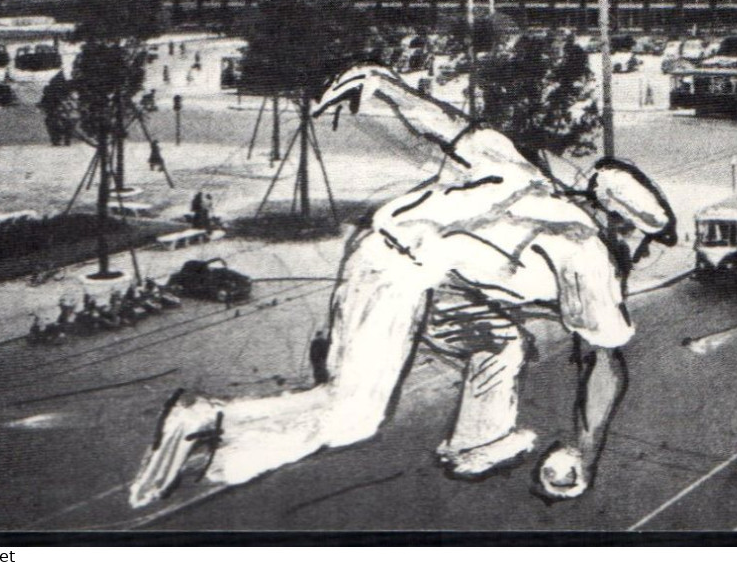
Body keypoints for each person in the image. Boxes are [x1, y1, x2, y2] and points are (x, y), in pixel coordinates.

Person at [130, 65, 677, 509]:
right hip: (398, 277)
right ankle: (207, 417)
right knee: (353, 416)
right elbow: (606, 365)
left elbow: (444, 123)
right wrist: (585, 451)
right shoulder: (587, 251)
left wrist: (381, 83)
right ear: (621, 225)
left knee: (502, 342)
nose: (639, 255)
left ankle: (475, 442)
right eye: (642, 242)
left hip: (409, 267)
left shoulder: (517, 167)